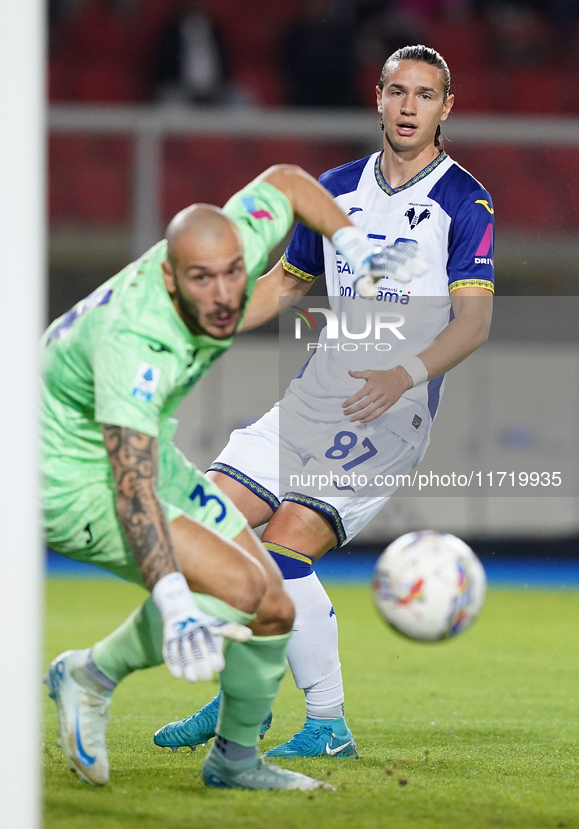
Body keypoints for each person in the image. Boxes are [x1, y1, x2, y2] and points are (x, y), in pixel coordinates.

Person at [153, 45, 495, 759]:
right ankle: (237, 703)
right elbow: (284, 284)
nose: (407, 107)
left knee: (284, 549)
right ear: (376, 98)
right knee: (201, 527)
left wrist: (403, 375)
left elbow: (473, 323)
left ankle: (326, 723)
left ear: (445, 108)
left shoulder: (463, 202)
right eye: (396, 92)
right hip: (313, 398)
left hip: (389, 416)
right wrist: (205, 322)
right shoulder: (333, 188)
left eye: (423, 95)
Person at [42, 162, 401, 791]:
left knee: (272, 604)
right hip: (64, 474)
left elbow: (288, 182)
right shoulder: (140, 342)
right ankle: (91, 675)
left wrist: (350, 244)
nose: (223, 295)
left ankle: (234, 761)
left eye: (233, 273)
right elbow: (130, 489)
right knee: (225, 585)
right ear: (167, 276)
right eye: (201, 280)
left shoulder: (226, 239)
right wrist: (176, 601)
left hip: (145, 449)